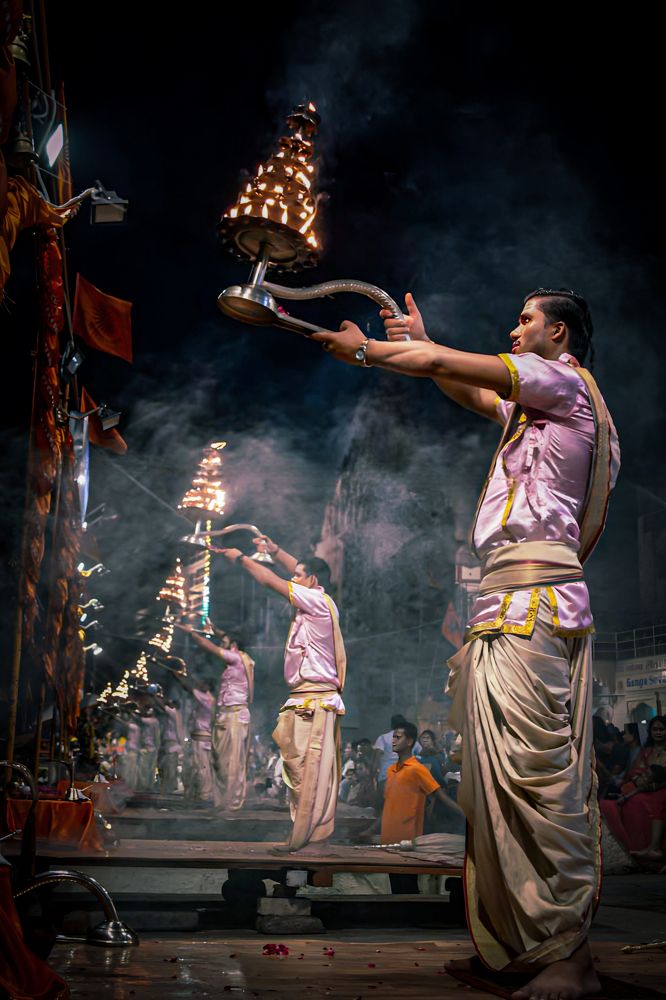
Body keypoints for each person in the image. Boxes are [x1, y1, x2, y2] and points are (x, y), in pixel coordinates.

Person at [312, 287, 619, 999]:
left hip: (533, 601)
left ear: (559, 332)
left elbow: (448, 364)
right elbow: (463, 385)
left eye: (524, 320)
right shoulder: (532, 406)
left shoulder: (562, 381)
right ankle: (518, 945)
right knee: (495, 781)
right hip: (503, 602)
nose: (513, 329)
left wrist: (369, 351)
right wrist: (418, 343)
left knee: (538, 780)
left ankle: (569, 954)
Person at [215, 535, 346, 851]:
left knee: (308, 771)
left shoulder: (315, 600)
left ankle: (304, 837)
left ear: (312, 580)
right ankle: (306, 835)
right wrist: (275, 551)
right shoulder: (315, 597)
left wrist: (239, 559)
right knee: (298, 769)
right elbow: (295, 570)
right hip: (303, 697)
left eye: (299, 575)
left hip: (314, 700)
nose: (293, 578)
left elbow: (270, 581)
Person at [177, 622, 254, 811]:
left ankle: (232, 804)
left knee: (232, 763)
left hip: (235, 716)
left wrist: (192, 634)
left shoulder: (238, 658)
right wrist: (215, 629)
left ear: (233, 643)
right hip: (226, 716)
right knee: (221, 763)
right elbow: (222, 638)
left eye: (225, 640)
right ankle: (224, 803)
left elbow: (210, 648)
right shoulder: (236, 659)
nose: (222, 642)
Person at [381, 721, 463, 893]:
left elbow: (440, 796)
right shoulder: (391, 771)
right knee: (395, 888)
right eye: (393, 737)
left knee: (408, 887)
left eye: (398, 737)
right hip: (388, 840)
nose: (393, 741)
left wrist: (467, 815)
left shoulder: (418, 769)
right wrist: (370, 830)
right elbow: (387, 805)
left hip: (408, 842)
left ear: (410, 741)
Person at [373, 714, 421, 799]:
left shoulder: (383, 738)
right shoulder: (409, 739)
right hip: (406, 776)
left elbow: (377, 758)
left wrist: (373, 774)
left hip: (385, 776)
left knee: (385, 804)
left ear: (391, 725)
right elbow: (421, 753)